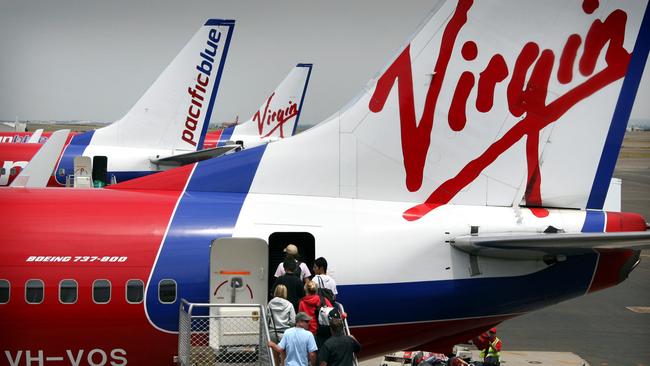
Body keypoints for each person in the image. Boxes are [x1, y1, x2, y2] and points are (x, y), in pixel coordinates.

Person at [299, 280, 333, 348]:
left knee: (312, 354)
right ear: (316, 290)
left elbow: (300, 319)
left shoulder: (302, 302)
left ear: (306, 291)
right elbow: (332, 313)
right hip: (323, 331)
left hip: (309, 333)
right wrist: (343, 315)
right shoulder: (323, 299)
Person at [268, 284, 296, 365]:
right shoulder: (289, 304)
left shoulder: (270, 303)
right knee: (284, 355)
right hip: (285, 333)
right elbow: (293, 321)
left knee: (275, 355)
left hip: (273, 332)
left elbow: (267, 318)